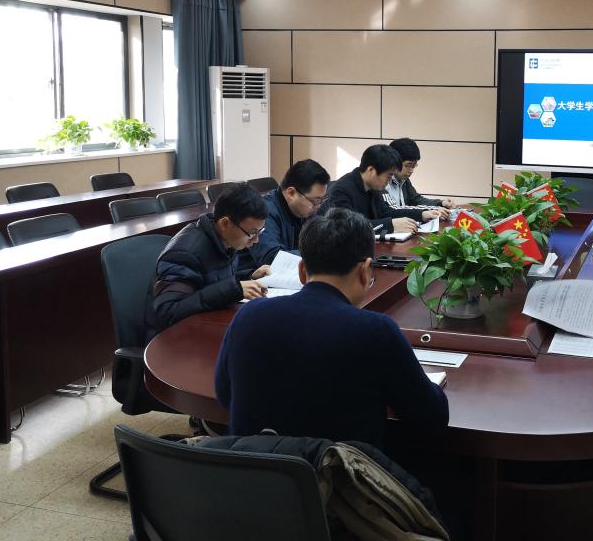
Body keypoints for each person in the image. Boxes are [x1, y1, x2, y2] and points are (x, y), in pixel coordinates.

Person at [215, 208, 449, 448]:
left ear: (302, 271)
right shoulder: (375, 331)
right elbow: (432, 418)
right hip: (339, 471)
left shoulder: (249, 315)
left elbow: (224, 395)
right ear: (365, 270)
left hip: (254, 467)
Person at [147, 182, 271, 340]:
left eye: (260, 232)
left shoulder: (226, 239)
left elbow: (211, 280)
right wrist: (233, 289)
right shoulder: (185, 253)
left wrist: (248, 276)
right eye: (252, 233)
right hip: (173, 341)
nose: (256, 240)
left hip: (204, 326)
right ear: (225, 223)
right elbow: (169, 312)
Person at [322, 144, 441, 233]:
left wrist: (421, 214)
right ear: (371, 170)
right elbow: (347, 227)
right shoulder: (341, 190)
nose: (389, 181)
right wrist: (390, 225)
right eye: (388, 176)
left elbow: (386, 212)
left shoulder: (373, 186)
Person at [237, 159, 330, 272]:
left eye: (322, 200)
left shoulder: (306, 211)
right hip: (253, 276)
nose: (318, 206)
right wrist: (320, 254)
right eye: (315, 201)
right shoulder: (264, 212)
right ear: (291, 193)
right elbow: (272, 258)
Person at [384, 138, 455, 218]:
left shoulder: (404, 179)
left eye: (414, 166)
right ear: (394, 161)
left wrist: (441, 203)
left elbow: (416, 200)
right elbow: (392, 210)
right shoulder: (383, 181)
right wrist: (432, 209)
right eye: (408, 165)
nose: (411, 171)